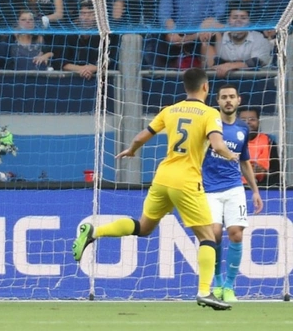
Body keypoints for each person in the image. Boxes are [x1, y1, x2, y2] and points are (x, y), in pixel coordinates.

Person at [72, 68, 238, 310]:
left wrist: (131, 150)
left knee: (143, 227)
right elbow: (217, 143)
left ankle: (93, 233)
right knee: (208, 237)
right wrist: (230, 155)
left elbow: (141, 136)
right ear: (206, 87)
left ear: (185, 88)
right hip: (187, 182)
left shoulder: (170, 110)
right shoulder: (210, 113)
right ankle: (205, 291)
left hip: (162, 178)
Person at [201, 84, 263, 303]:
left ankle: (229, 286)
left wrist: (254, 190)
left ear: (239, 100)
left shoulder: (242, 128)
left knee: (236, 233)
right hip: (209, 188)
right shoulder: (208, 125)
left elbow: (244, 160)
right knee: (215, 234)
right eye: (224, 97)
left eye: (231, 97)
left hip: (234, 186)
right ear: (217, 101)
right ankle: (217, 283)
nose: (228, 100)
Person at [238, 107, 281, 187]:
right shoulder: (230, 142)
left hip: (262, 189)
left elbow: (276, 173)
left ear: (258, 122)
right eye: (243, 120)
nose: (248, 122)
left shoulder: (270, 143)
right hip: (235, 187)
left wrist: (264, 173)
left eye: (252, 119)